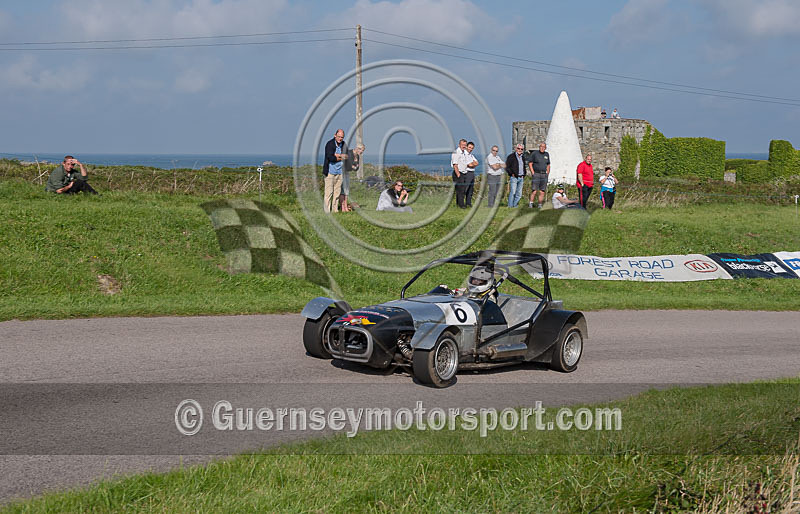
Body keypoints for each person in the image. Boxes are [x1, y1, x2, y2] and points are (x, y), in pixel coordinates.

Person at [322, 129, 348, 213]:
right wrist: (341, 156)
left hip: (340, 172)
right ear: (335, 135)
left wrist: (337, 156)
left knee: (337, 193)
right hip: (330, 172)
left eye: (342, 137)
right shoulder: (329, 144)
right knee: (328, 193)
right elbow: (331, 158)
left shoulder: (344, 144)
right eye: (339, 136)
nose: (340, 138)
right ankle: (327, 211)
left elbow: (347, 156)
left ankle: (335, 210)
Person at [451, 139, 477, 209]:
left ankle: (459, 205)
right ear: (459, 145)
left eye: (465, 145)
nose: (464, 146)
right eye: (463, 145)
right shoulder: (457, 152)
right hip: (459, 173)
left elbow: (474, 163)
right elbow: (455, 165)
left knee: (461, 190)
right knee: (461, 190)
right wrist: (458, 175)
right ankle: (461, 205)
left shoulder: (463, 153)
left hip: (464, 173)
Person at [340, 143, 364, 212]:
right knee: (342, 190)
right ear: (357, 148)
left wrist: (354, 165)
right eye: (361, 150)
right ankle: (343, 208)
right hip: (342, 171)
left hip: (347, 172)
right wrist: (353, 166)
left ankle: (345, 207)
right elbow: (347, 165)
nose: (361, 152)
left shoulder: (357, 156)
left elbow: (356, 168)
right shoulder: (349, 153)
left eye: (362, 151)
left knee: (346, 191)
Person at [527, 142, 550, 209]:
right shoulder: (535, 153)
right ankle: (531, 203)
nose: (542, 148)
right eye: (541, 146)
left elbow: (548, 164)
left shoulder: (547, 154)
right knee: (534, 190)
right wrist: (533, 172)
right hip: (536, 173)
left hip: (544, 174)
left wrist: (547, 172)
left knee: (542, 191)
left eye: (544, 147)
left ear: (545, 148)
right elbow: (530, 163)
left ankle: (540, 204)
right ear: (539, 147)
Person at [464, 141, 478, 207]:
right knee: (465, 189)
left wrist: (472, 164)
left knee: (470, 189)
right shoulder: (464, 154)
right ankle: (461, 203)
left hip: (472, 172)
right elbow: (468, 165)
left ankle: (468, 203)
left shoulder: (471, 155)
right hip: (467, 172)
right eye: (469, 147)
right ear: (466, 147)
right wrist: (472, 164)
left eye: (472, 148)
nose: (470, 149)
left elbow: (477, 163)